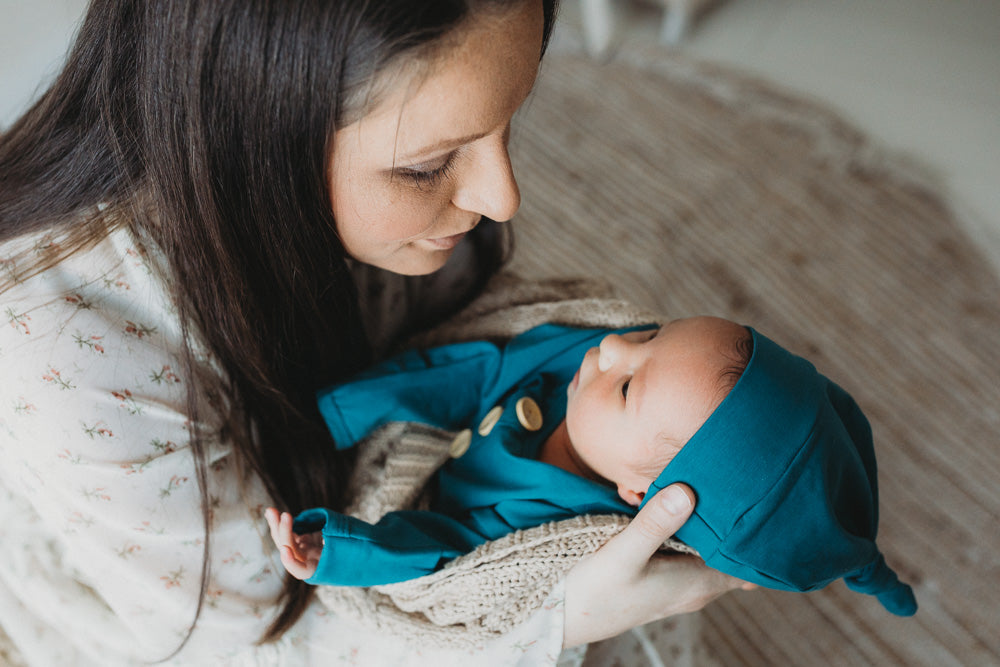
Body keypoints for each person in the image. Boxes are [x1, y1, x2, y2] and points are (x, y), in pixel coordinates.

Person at [0, 0, 749, 664]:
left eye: (509, 121)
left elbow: (471, 333)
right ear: (255, 137)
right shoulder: (68, 349)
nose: (502, 197)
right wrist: (555, 621)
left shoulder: (364, 196)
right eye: (426, 168)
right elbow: (244, 642)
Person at [265, 318, 917, 617]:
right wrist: (335, 414)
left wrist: (340, 548)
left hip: (437, 510)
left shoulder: (550, 522)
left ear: (640, 489)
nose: (610, 347)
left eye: (629, 384)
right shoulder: (572, 363)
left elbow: (446, 553)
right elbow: (477, 369)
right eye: (651, 335)